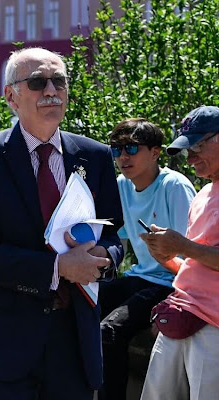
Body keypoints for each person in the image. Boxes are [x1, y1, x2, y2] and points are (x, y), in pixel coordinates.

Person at [0, 47, 124, 400]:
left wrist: (102, 260)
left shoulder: (94, 156)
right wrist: (58, 267)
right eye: (37, 82)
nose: (51, 90)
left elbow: (113, 234)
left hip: (75, 341)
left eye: (58, 80)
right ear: (11, 97)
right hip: (6, 345)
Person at [97, 118, 196, 400]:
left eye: (131, 148)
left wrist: (178, 303)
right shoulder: (121, 186)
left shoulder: (174, 186)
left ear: (155, 152)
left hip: (171, 282)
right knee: (78, 305)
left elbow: (192, 253)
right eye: (116, 151)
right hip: (140, 278)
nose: (123, 157)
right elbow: (119, 244)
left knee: (110, 330)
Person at [140, 106, 219, 400]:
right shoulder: (202, 195)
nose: (192, 157)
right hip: (180, 314)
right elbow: (194, 266)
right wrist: (166, 256)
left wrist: (182, 246)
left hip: (213, 326)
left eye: (198, 145)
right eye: (187, 149)